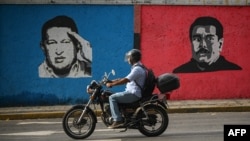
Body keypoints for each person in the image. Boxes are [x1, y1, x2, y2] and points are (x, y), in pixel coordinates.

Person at [173, 16, 242, 73]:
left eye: (209, 38)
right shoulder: (181, 72)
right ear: (191, 43)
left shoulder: (233, 70)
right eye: (197, 39)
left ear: (220, 44)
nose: (203, 45)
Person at [105, 49, 146, 129]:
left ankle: (118, 120)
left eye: (129, 57)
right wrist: (112, 80)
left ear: (133, 58)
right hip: (132, 92)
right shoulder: (138, 67)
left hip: (134, 94)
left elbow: (126, 80)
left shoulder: (137, 69)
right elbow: (126, 78)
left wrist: (112, 84)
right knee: (114, 96)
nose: (128, 59)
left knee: (112, 97)